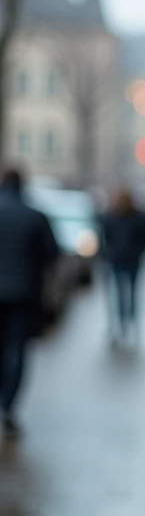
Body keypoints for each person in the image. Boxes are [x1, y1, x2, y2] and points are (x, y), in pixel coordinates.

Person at [0, 167, 59, 439]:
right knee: (17, 350)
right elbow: (51, 255)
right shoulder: (35, 216)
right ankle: (9, 405)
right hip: (24, 293)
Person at [99, 188, 145, 348]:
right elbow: (105, 237)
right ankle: (124, 326)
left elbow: (144, 238)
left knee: (124, 295)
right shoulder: (113, 217)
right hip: (121, 260)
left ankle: (126, 326)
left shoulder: (130, 217)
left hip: (126, 260)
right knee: (124, 295)